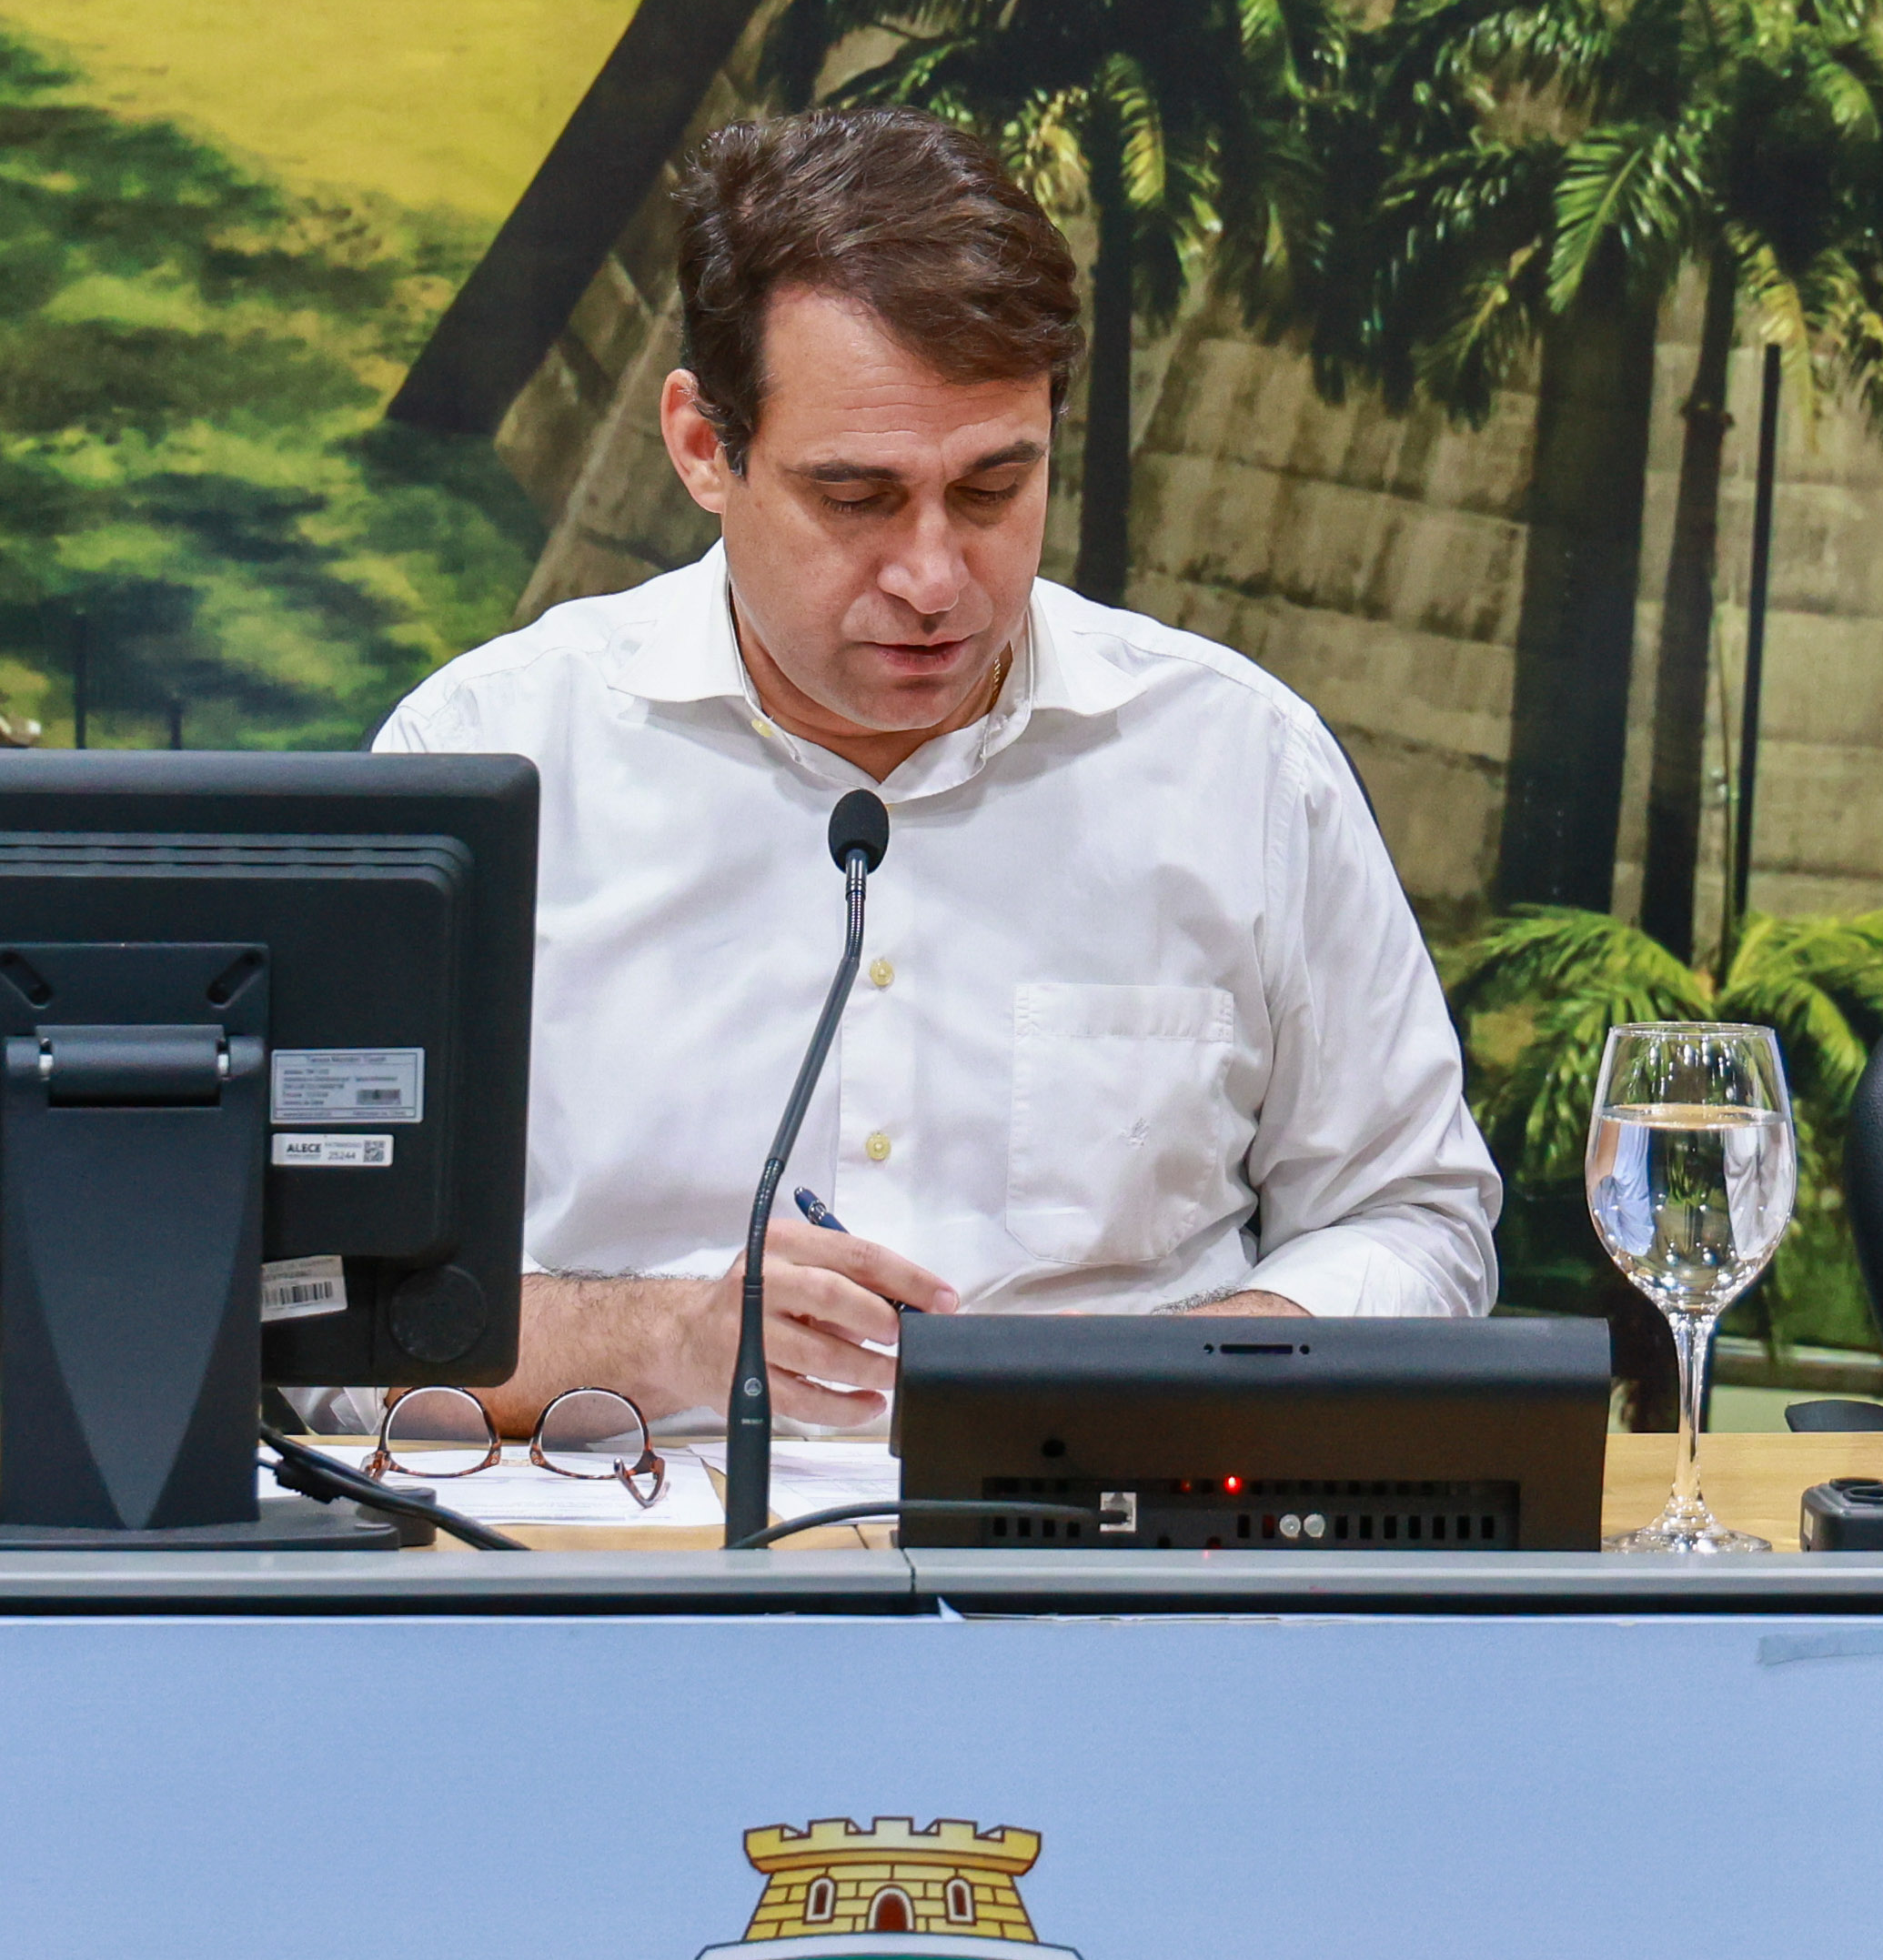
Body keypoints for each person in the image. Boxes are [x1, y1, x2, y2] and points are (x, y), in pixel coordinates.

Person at [368, 110, 1498, 1432]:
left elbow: (1418, 1222)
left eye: (990, 491)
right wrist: (667, 1339)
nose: (931, 578)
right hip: (619, 1532)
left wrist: (1184, 1369)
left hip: (1108, 1529)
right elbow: (322, 1311)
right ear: (702, 447)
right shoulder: (487, 763)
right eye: (854, 498)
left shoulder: (1237, 764)